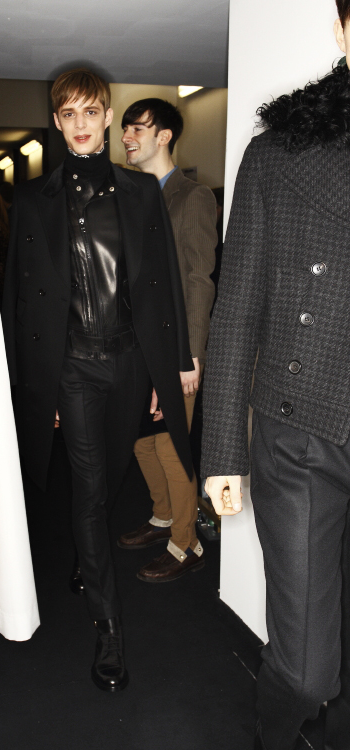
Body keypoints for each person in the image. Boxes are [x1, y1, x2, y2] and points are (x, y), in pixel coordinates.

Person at [2, 68, 197, 692]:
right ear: (57, 122)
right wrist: (38, 382)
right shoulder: (34, 201)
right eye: (69, 114)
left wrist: (172, 364)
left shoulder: (141, 193)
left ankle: (87, 559)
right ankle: (108, 625)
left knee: (112, 476)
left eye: (92, 112)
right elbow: (19, 302)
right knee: (88, 490)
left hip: (132, 362)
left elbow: (164, 284)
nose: (81, 124)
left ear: (108, 117)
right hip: (74, 369)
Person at [202, 4, 350, 748]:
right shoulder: (279, 153)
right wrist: (223, 449)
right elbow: (236, 311)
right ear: (343, 29)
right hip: (302, 437)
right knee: (308, 670)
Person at [117, 99, 216, 582]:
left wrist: (190, 353)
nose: (127, 136)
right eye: (125, 128)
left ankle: (186, 541)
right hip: (132, 344)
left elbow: (198, 278)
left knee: (172, 444)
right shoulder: (129, 195)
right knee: (141, 441)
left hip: (175, 344)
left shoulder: (191, 197)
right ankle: (162, 516)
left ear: (164, 136)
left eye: (138, 128)